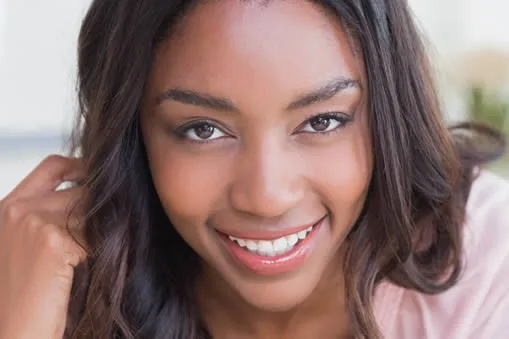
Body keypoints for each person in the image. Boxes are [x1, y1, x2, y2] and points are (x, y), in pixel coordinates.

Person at [0, 0, 508, 338]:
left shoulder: (489, 269)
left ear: (389, 116)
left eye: (323, 120)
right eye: (203, 130)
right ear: (132, 137)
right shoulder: (53, 285)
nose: (267, 197)